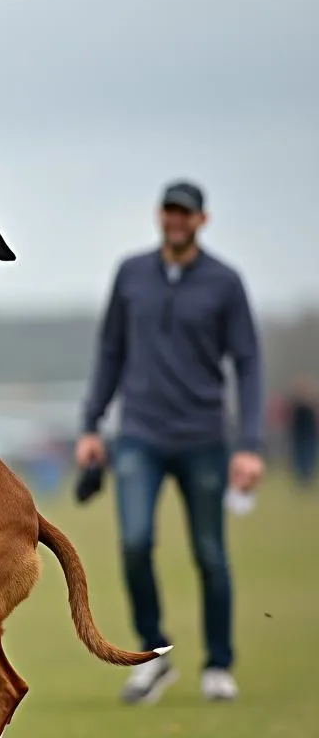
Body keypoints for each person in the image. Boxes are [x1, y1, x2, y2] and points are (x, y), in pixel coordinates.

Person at [76, 180, 264, 705]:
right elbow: (110, 352)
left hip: (204, 436)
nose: (176, 220)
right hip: (139, 433)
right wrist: (91, 425)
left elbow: (248, 364)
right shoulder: (131, 274)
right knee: (135, 543)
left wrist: (249, 443)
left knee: (210, 553)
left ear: (202, 220)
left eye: (186, 213)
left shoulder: (225, 283)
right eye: (170, 211)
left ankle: (219, 664)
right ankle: (154, 655)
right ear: (160, 216)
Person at [286, 377, 318, 487]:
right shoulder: (300, 408)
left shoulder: (302, 408)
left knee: (305, 458)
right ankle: (304, 479)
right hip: (302, 438)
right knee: (302, 458)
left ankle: (305, 479)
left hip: (306, 438)